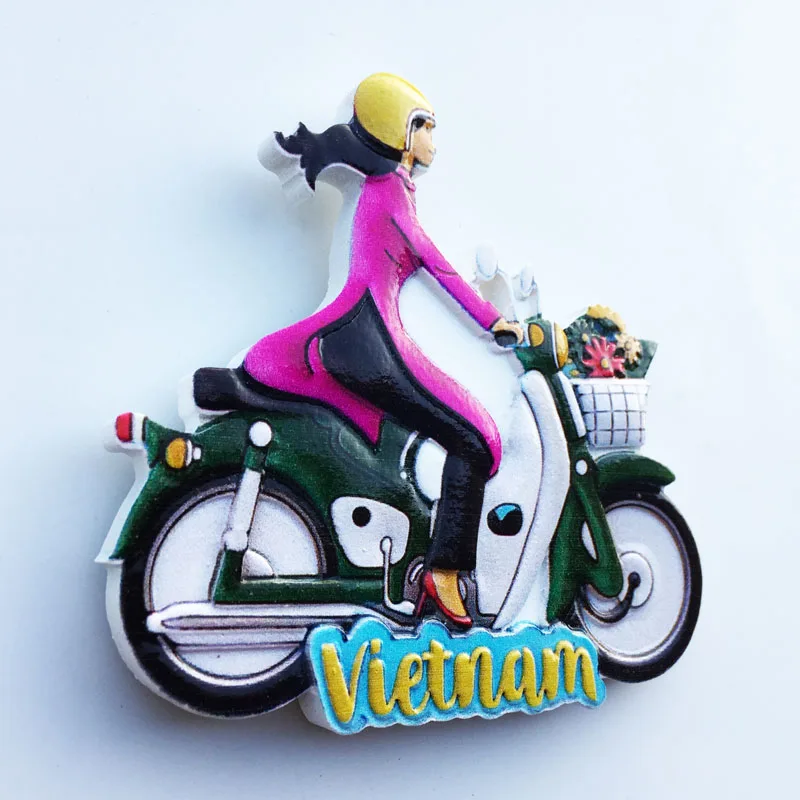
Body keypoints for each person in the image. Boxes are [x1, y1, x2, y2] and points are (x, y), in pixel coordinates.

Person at [244, 73, 523, 626]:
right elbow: (438, 266)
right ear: (402, 132)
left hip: (356, 334)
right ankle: (444, 572)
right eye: (427, 127)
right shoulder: (390, 194)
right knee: (475, 439)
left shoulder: (385, 191)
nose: (434, 140)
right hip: (368, 337)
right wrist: (496, 323)